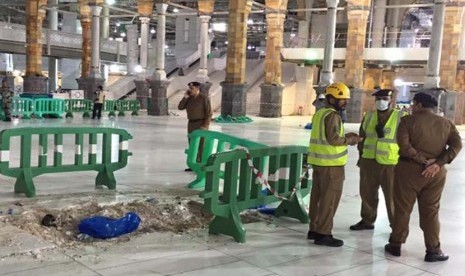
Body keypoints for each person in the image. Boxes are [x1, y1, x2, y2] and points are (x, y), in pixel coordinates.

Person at [384, 92, 462, 262]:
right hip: (435, 174)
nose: (411, 106)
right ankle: (433, 250)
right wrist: (437, 163)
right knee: (431, 211)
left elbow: (404, 147)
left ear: (419, 105)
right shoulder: (446, 123)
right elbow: (457, 144)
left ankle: (396, 244)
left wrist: (422, 159)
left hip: (408, 171)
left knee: (403, 209)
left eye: (413, 103)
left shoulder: (407, 121)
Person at [307, 82, 361, 247]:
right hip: (331, 166)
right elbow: (334, 139)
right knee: (329, 201)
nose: (345, 103)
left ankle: (314, 229)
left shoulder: (320, 114)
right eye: (342, 99)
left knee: (317, 198)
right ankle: (323, 234)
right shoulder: (333, 116)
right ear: (331, 99)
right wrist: (351, 139)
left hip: (319, 163)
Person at [350, 89, 407, 231]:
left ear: (391, 101)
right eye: (378, 99)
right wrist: (360, 157)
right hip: (368, 161)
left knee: (392, 196)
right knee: (367, 193)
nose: (381, 101)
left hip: (391, 163)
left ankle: (396, 226)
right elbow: (362, 139)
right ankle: (367, 220)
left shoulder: (402, 116)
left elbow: (408, 141)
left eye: (384, 98)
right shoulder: (369, 116)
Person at [178, 81, 212, 172]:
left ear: (197, 88)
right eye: (189, 88)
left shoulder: (204, 98)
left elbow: (209, 113)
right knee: (192, 144)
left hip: (201, 124)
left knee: (201, 145)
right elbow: (180, 107)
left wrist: (205, 125)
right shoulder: (189, 98)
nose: (190, 90)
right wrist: (185, 97)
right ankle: (192, 164)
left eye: (192, 88)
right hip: (191, 124)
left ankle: (200, 164)